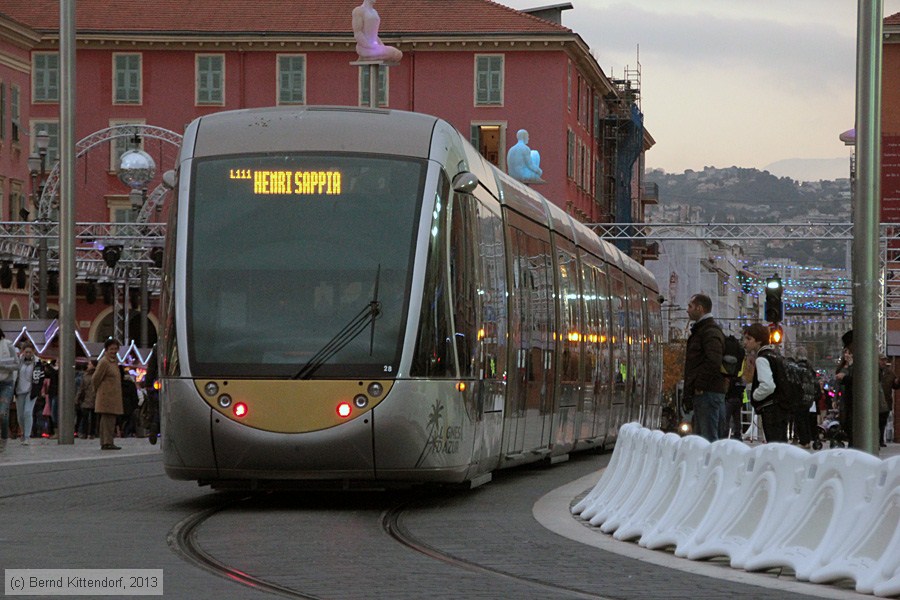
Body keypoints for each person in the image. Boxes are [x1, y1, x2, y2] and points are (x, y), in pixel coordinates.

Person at [683, 293, 727, 442]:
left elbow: (713, 361)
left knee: (707, 439)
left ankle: (710, 464)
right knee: (701, 438)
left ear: (700, 308)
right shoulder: (704, 330)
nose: (687, 310)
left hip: (707, 393)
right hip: (705, 392)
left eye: (690, 306)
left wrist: (699, 385)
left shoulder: (709, 331)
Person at [743, 323, 789, 443]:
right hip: (781, 408)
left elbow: (768, 386)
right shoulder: (775, 356)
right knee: (781, 446)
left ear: (758, 341)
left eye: (749, 339)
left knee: (773, 446)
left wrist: (755, 396)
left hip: (771, 410)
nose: (745, 342)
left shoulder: (762, 359)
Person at [93, 339, 124, 450]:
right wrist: (98, 391)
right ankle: (107, 442)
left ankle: (107, 441)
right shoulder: (104, 362)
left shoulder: (113, 362)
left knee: (110, 420)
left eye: (115, 349)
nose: (114, 351)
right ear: (106, 350)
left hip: (112, 396)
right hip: (106, 396)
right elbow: (95, 378)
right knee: (107, 420)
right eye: (111, 349)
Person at [14, 345, 38, 445]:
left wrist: (37, 390)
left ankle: (27, 436)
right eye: (26, 352)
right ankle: (23, 433)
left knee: (27, 412)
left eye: (30, 352)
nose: (28, 354)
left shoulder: (37, 363)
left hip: (31, 391)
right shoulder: (18, 362)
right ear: (23, 352)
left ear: (33, 352)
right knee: (20, 415)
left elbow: (39, 378)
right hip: (19, 391)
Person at [0, 329, 19, 452]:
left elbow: (17, 365)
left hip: (6, 382)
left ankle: (4, 438)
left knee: (3, 413)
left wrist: (4, 366)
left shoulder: (8, 345)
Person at [878, 355, 898, 447]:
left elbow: (895, 385)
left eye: (885, 360)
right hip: (876, 401)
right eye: (881, 360)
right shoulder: (873, 371)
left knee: (882, 422)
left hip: (886, 401)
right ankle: (876, 439)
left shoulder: (890, 373)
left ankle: (881, 439)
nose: (883, 362)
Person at [77, 360, 97, 439]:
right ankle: (92, 433)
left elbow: (81, 388)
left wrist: (77, 398)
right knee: (93, 418)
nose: (88, 365)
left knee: (85, 417)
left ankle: (84, 432)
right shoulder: (97, 375)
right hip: (94, 398)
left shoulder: (86, 376)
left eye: (89, 364)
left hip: (86, 399)